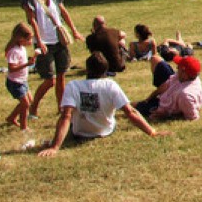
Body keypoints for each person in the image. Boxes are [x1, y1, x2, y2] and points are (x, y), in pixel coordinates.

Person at [38, 53, 166, 157]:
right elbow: (130, 112)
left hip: (79, 132)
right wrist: (152, 132)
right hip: (105, 130)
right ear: (105, 70)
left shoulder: (73, 86)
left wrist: (55, 147)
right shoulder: (110, 85)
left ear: (87, 69)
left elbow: (66, 116)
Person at [23, 0, 84, 120]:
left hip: (59, 39)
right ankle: (33, 107)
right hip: (44, 41)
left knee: (62, 75)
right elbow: (32, 21)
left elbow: (63, 12)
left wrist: (74, 30)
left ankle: (61, 107)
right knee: (50, 80)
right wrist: (39, 41)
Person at [148, 56, 202, 122]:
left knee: (135, 107)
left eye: (178, 67)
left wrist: (167, 116)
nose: (177, 68)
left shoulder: (185, 96)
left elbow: (192, 117)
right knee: (155, 58)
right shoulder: (184, 76)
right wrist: (150, 97)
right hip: (170, 92)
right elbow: (165, 85)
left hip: (162, 105)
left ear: (184, 72)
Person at [4, 23, 36, 130]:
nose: (31, 42)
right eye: (29, 39)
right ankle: (24, 127)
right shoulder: (13, 51)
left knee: (29, 101)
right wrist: (27, 64)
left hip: (22, 81)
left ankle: (12, 117)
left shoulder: (21, 48)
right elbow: (12, 68)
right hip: (15, 82)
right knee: (25, 104)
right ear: (21, 38)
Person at [134, 45, 178, 117]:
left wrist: (150, 98)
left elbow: (165, 86)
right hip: (167, 95)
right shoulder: (193, 83)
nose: (177, 67)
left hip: (162, 102)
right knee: (155, 58)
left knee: (132, 106)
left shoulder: (183, 93)